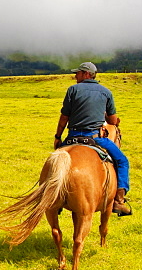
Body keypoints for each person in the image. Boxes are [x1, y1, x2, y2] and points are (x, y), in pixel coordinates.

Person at [54, 62, 133, 216]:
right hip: (96, 138)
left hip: (73, 137)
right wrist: (113, 120)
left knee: (56, 161)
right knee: (122, 161)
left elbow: (64, 117)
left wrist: (58, 137)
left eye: (78, 73)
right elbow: (112, 120)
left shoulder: (73, 90)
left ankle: (54, 197)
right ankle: (119, 200)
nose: (75, 76)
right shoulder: (106, 92)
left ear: (86, 74)